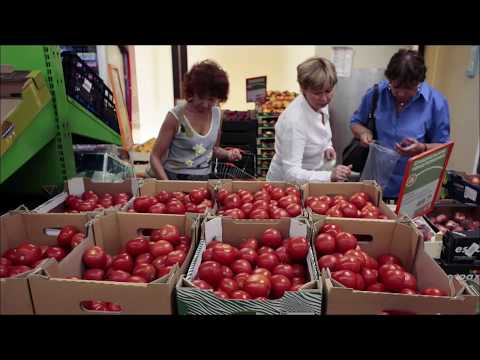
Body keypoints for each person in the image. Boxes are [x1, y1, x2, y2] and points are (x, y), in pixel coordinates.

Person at [350, 49, 450, 200]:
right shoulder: (376, 94)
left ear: (420, 81)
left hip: (412, 189)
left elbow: (443, 148)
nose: (401, 94)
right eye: (396, 87)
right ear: (389, 78)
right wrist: (364, 133)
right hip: (374, 184)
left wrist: (422, 148)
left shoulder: (436, 103)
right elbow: (355, 122)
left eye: (409, 88)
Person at [147, 60, 242, 180]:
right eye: (201, 97)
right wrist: (168, 186)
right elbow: (155, 156)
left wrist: (228, 154)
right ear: (192, 92)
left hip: (204, 180)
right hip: (175, 178)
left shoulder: (217, 114)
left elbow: (212, 149)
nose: (205, 104)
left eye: (211, 99)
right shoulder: (176, 116)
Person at [266, 57, 352, 184]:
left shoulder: (319, 103)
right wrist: (329, 176)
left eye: (328, 91)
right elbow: (291, 174)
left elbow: (321, 129)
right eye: (317, 93)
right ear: (303, 89)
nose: (324, 98)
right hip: (285, 189)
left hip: (311, 182)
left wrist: (327, 146)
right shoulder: (294, 122)